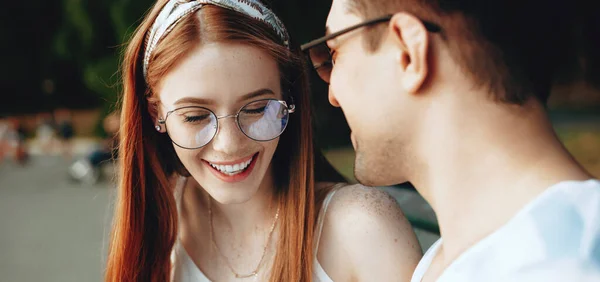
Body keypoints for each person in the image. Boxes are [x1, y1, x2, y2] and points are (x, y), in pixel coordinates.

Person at [104, 1, 422, 281]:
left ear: (288, 97)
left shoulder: (362, 230)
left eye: (256, 109)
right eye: (195, 117)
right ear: (155, 113)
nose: (229, 144)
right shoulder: (159, 221)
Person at [301, 0, 600, 281]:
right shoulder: (456, 257)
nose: (332, 95)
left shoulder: (563, 264)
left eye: (334, 53)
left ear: (408, 52)